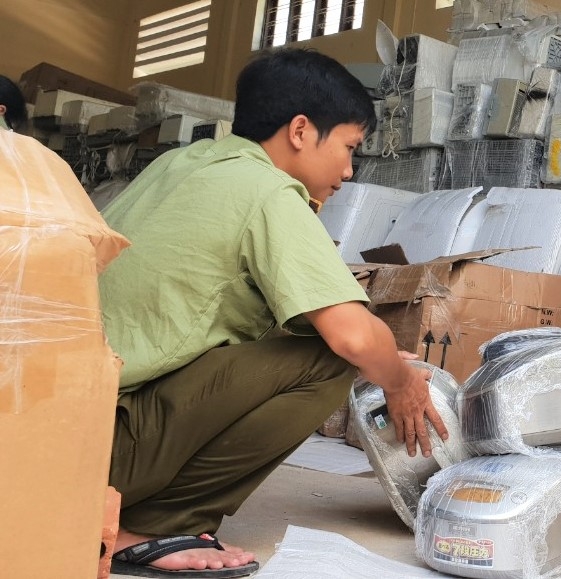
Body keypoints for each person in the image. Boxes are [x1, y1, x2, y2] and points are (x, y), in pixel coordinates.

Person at [99, 48, 448, 578]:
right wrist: (400, 383)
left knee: (330, 346)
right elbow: (352, 339)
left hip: (58, 426)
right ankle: (151, 525)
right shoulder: (267, 191)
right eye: (349, 147)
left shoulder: (178, 165)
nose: (348, 172)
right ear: (301, 130)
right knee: (330, 361)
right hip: (103, 450)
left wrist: (375, 356)